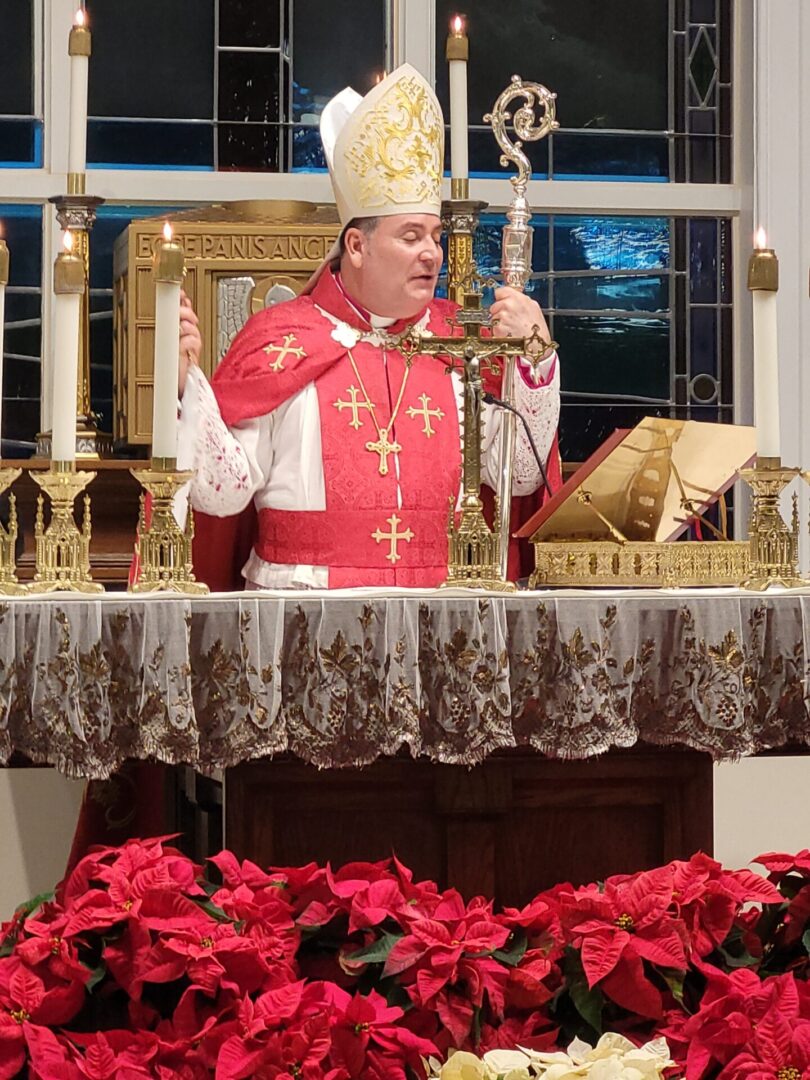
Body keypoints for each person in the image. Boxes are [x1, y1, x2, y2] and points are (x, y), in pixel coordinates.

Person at [167, 64, 561, 590]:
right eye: (411, 236)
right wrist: (186, 386)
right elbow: (224, 493)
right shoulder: (281, 339)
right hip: (303, 614)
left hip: (441, 614)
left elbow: (520, 477)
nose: (432, 253)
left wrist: (536, 359)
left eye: (436, 236)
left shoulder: (460, 340)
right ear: (356, 246)